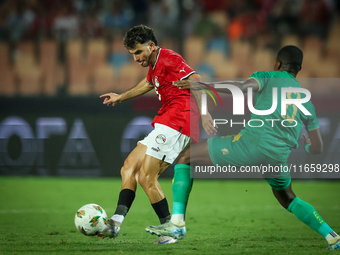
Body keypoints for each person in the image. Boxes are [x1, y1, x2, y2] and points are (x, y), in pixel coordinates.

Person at [145, 45, 340, 250]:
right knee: (288, 197)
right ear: (298, 69)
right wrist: (307, 147)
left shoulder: (268, 76)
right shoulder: (306, 100)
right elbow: (317, 147)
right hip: (278, 157)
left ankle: (176, 223)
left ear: (278, 64)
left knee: (186, 157)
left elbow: (242, 87)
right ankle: (332, 236)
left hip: (253, 145)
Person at [99, 25, 216, 244]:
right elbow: (147, 83)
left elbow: (196, 79)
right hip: (167, 120)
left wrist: (205, 114)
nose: (135, 58)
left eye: (138, 52)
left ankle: (172, 230)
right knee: (128, 167)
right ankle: (115, 222)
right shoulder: (155, 64)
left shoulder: (169, 58)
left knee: (146, 176)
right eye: (132, 54)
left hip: (179, 120)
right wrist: (120, 97)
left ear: (151, 46)